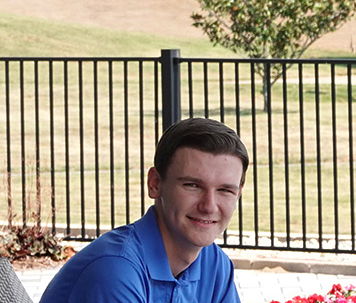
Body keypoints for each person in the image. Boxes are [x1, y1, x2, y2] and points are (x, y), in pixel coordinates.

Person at [41, 118, 248, 303]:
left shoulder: (213, 265)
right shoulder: (114, 271)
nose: (209, 206)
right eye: (192, 185)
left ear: (238, 193)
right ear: (155, 184)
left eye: (224, 190)